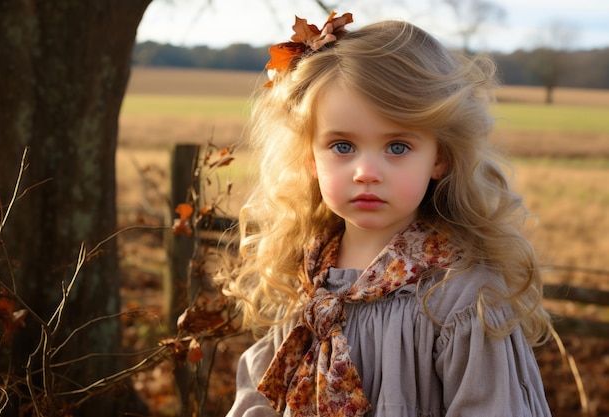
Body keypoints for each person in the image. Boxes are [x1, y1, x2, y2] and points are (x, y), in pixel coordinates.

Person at [220, 11, 553, 417]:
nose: (366, 173)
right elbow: (263, 394)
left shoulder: (460, 298)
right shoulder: (308, 278)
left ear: (440, 157)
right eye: (342, 146)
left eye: (397, 147)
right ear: (310, 158)